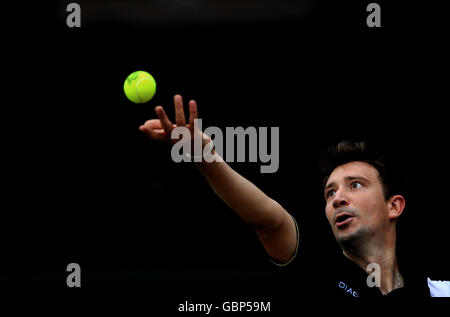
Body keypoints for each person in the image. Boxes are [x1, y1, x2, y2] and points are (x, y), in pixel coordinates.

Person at [139, 94, 450, 298]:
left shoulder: (437, 292)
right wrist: (207, 160)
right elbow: (268, 221)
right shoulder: (315, 269)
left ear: (393, 206)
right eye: (330, 192)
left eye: (355, 185)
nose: (337, 199)